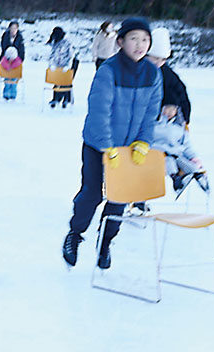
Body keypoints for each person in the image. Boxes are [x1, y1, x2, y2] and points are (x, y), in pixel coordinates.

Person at [62, 17, 162, 270]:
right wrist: (107, 146)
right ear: (120, 42)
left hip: (129, 149)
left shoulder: (153, 74)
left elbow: (151, 113)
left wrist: (143, 142)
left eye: (145, 40)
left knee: (120, 198)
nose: (140, 45)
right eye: (133, 39)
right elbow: (99, 111)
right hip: (98, 145)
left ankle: (105, 243)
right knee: (92, 193)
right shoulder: (108, 70)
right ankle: (75, 234)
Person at [152, 103, 209, 199]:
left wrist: (194, 157)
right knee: (170, 161)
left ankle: (197, 175)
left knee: (182, 161)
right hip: (159, 155)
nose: (169, 113)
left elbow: (186, 145)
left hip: (176, 154)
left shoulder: (179, 126)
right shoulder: (155, 125)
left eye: (172, 110)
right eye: (166, 109)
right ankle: (176, 177)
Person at [145, 28, 192, 124]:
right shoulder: (137, 71)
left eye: (163, 59)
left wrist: (174, 104)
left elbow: (180, 92)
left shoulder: (168, 74)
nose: (158, 63)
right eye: (155, 58)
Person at [47, 26, 74, 108]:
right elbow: (52, 55)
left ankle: (66, 99)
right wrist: (51, 64)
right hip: (57, 65)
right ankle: (56, 98)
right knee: (57, 82)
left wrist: (68, 66)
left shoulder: (67, 42)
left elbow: (71, 55)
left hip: (67, 65)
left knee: (66, 82)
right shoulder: (54, 42)